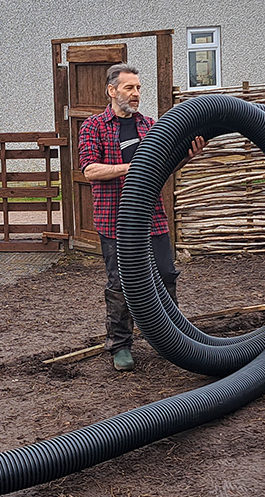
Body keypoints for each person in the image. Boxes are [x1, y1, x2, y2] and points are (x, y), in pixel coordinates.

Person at [78, 64, 204, 372]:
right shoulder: (94, 127)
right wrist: (131, 167)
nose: (136, 94)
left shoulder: (151, 126)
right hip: (115, 221)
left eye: (138, 88)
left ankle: (172, 340)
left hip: (153, 216)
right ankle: (120, 345)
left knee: (165, 275)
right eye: (129, 88)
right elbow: (89, 170)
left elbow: (163, 168)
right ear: (112, 91)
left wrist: (187, 156)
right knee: (121, 283)